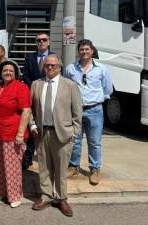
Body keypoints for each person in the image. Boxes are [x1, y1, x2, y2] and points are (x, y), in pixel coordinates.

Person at [29, 54, 82, 217]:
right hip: (42, 132)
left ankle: (61, 198)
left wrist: (74, 134)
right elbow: (29, 109)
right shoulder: (36, 84)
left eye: (53, 65)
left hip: (63, 133)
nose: (49, 68)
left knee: (61, 169)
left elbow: (77, 113)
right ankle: (46, 196)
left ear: (60, 67)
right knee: (44, 167)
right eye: (47, 65)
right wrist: (31, 125)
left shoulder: (70, 85)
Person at [65, 39, 113, 185]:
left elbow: (108, 89)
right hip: (76, 111)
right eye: (81, 49)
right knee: (75, 140)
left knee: (94, 142)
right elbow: (67, 87)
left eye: (87, 49)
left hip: (95, 110)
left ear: (92, 51)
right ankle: (74, 166)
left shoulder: (102, 69)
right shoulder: (70, 68)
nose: (84, 52)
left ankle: (94, 169)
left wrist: (96, 100)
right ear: (78, 51)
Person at [0, 60, 31, 208]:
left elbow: (26, 111)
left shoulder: (21, 87)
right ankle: (0, 191)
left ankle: (14, 196)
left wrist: (20, 133)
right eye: (5, 70)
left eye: (11, 71)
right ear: (0, 72)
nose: (7, 73)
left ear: (16, 73)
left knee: (12, 165)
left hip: (13, 132)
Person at [22, 32, 54, 171]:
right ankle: (27, 158)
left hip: (49, 97)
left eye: (44, 40)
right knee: (32, 127)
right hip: (33, 97)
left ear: (49, 41)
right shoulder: (30, 57)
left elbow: (57, 75)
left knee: (47, 128)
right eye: (38, 40)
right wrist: (34, 91)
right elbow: (26, 76)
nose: (41, 42)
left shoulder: (54, 57)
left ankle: (47, 160)